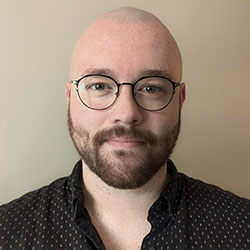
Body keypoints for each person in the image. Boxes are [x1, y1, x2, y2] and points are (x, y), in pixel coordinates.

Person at [0, 7, 249, 250]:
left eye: (151, 88)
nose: (127, 113)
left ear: (180, 99)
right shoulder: (7, 231)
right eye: (99, 86)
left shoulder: (242, 229)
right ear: (69, 96)